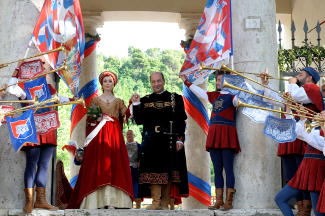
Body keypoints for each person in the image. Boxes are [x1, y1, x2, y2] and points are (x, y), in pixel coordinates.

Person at [7, 60, 74, 213]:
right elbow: (11, 88)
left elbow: (62, 99)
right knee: (31, 164)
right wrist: (17, 69)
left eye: (43, 67)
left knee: (44, 165)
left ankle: (41, 200)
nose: (42, 69)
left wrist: (76, 100)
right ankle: (29, 201)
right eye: (39, 67)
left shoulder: (49, 87)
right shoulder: (24, 89)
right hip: (31, 129)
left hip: (48, 128)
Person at [66, 71, 134, 209]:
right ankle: (96, 202)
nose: (108, 83)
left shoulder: (119, 101)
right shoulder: (95, 100)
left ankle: (114, 202)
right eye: (105, 81)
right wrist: (99, 118)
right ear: (102, 84)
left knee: (114, 165)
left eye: (110, 81)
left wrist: (133, 103)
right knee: (99, 165)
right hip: (99, 137)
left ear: (114, 84)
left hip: (114, 137)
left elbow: (127, 115)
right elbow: (90, 119)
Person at [261, 68, 324, 216]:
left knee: (306, 179)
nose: (296, 76)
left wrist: (291, 83)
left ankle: (305, 208)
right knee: (293, 174)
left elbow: (294, 95)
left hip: (309, 141)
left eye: (300, 75)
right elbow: (273, 99)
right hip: (296, 133)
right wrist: (266, 84)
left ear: (309, 78)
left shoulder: (311, 88)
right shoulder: (296, 91)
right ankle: (301, 207)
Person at [180, 71, 240, 210]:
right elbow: (199, 91)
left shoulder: (233, 97)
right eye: (217, 80)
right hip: (214, 135)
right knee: (217, 169)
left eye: (220, 80)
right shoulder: (213, 95)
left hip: (227, 135)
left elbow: (241, 100)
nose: (217, 82)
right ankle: (219, 200)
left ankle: (228, 201)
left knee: (228, 169)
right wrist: (186, 82)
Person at [130, 72, 189, 210]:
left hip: (169, 140)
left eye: (158, 81)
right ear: (150, 83)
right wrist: (136, 104)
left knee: (169, 172)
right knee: (153, 171)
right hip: (151, 141)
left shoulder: (176, 98)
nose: (156, 84)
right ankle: (156, 202)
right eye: (153, 81)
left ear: (163, 81)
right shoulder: (145, 100)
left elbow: (181, 121)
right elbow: (139, 120)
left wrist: (180, 139)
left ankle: (164, 203)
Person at [125, 129, 142, 209]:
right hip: (125, 169)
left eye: (130, 134)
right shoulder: (123, 146)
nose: (129, 135)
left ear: (133, 135)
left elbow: (142, 156)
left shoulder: (138, 146)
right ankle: (127, 203)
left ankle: (138, 204)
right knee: (126, 186)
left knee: (136, 186)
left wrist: (139, 162)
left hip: (135, 168)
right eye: (127, 134)